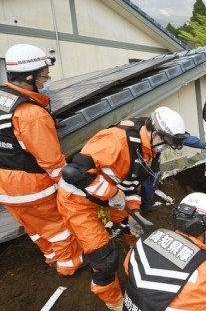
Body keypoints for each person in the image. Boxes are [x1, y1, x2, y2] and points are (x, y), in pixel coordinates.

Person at [57, 107, 189, 310]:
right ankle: (114, 302)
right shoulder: (116, 140)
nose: (166, 148)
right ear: (155, 132)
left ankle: (138, 259)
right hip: (78, 201)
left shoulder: (149, 152)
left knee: (136, 230)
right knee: (105, 259)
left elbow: (132, 185)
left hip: (111, 198)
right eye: (167, 142)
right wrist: (111, 193)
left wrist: (134, 212)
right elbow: (73, 171)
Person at [0, 43, 84, 276]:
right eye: (43, 75)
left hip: (4, 185)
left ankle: (51, 256)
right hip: (31, 187)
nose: (45, 80)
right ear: (29, 76)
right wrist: (67, 186)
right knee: (57, 226)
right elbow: (52, 161)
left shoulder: (2, 98)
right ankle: (70, 264)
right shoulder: (31, 114)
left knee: (33, 226)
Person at [140, 127, 206, 212]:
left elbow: (187, 139)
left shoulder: (170, 133)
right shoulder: (139, 138)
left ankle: (145, 204)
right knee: (142, 181)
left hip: (153, 159)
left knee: (154, 179)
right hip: (142, 158)